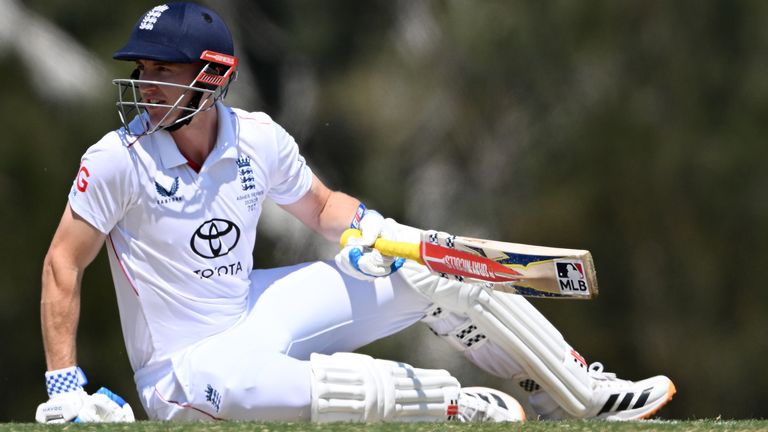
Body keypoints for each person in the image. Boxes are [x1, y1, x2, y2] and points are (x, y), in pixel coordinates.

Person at [36, 2, 675, 424]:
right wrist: (64, 386)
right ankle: (452, 404)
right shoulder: (118, 159)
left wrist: (364, 227)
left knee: (428, 267)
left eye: (161, 71)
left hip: (253, 312)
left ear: (211, 77)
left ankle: (578, 390)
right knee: (239, 388)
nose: (146, 87)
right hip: (181, 369)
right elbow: (63, 265)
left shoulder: (257, 137)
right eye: (142, 71)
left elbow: (321, 207)